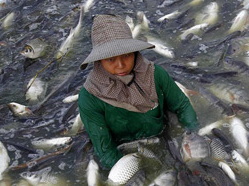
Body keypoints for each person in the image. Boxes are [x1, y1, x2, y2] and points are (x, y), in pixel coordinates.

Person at [78, 14, 198, 169]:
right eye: (110, 59)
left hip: (161, 135)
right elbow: (105, 150)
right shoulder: (90, 97)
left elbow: (181, 105)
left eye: (126, 55)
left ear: (134, 53)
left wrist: (193, 133)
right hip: (122, 147)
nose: (120, 65)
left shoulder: (155, 74)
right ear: (99, 60)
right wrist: (129, 173)